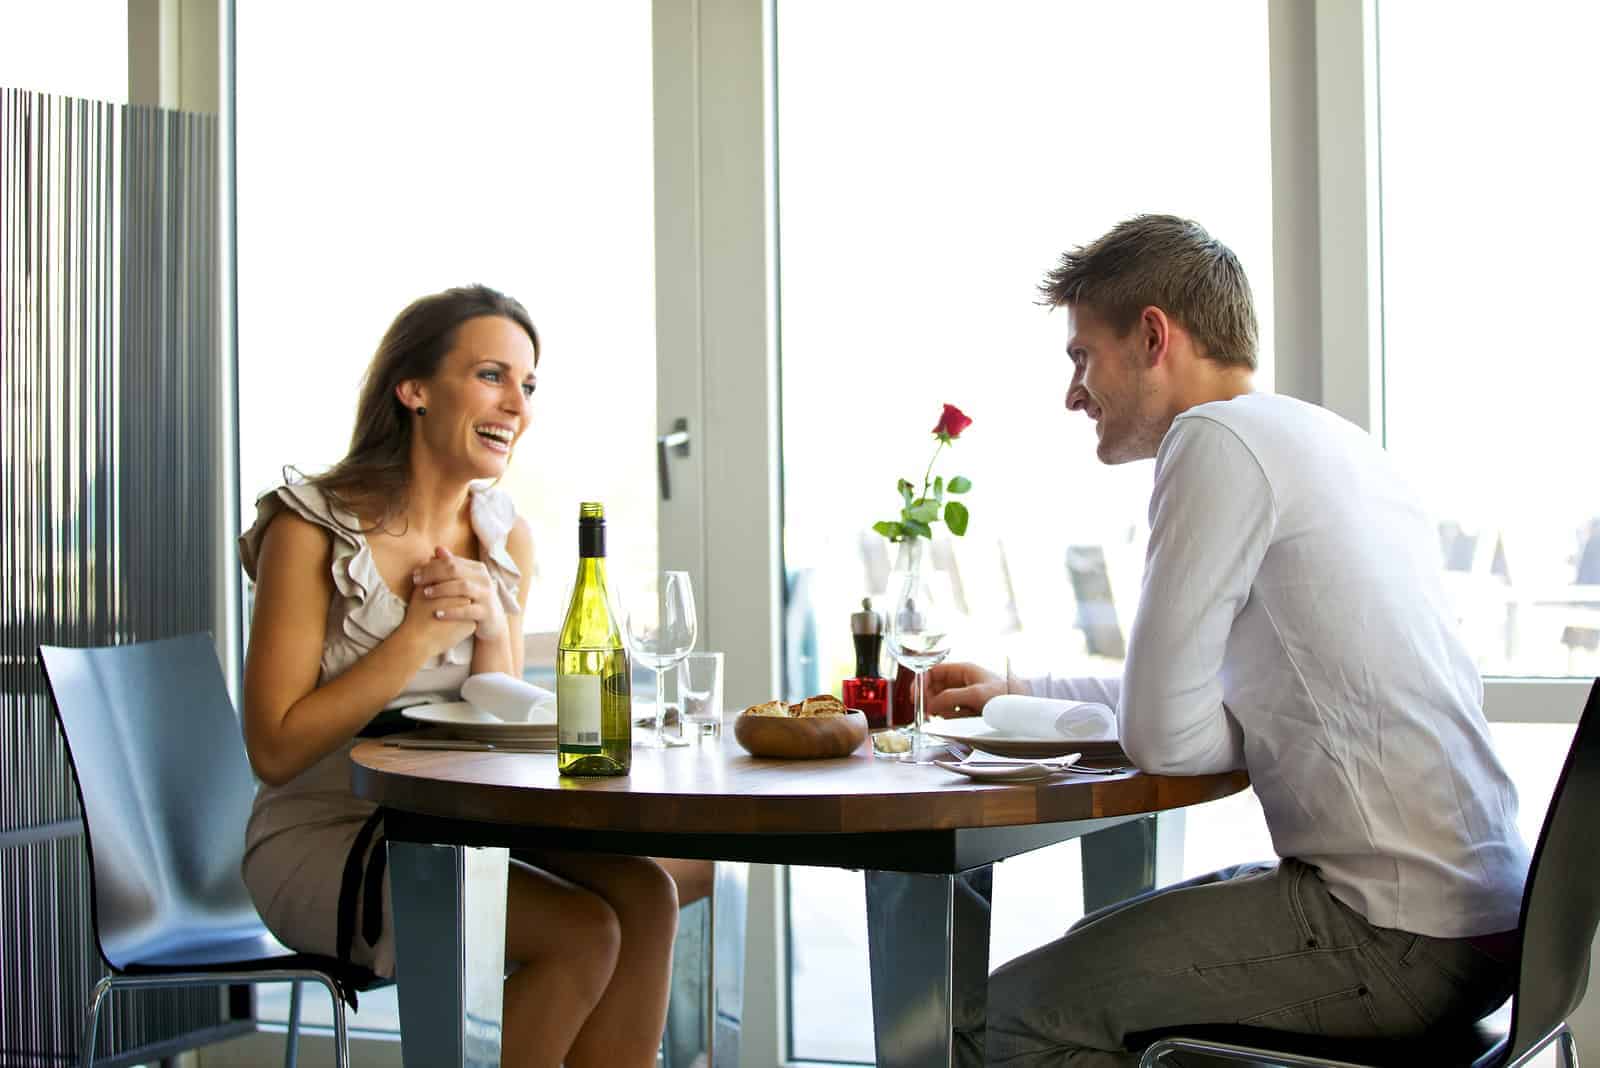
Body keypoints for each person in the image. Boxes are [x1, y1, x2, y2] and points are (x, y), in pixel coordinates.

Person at [926, 216, 1530, 1066]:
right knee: (1088, 945)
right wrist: (1014, 692)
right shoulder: (1329, 441)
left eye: (1080, 357)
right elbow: (1183, 705)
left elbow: (1166, 736)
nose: (1072, 393)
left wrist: (1189, 720)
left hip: (1393, 933)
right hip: (1487, 925)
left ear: (1151, 335)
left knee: (993, 1018)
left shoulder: (1214, 441)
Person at [239, 284, 680, 1068]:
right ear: (412, 390)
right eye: (491, 375)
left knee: (648, 895)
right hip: (331, 832)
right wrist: (415, 638)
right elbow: (274, 750)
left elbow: (494, 721)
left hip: (460, 826)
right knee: (582, 934)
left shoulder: (502, 534)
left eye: (528, 384)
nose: (518, 403)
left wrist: (489, 630)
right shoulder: (310, 528)